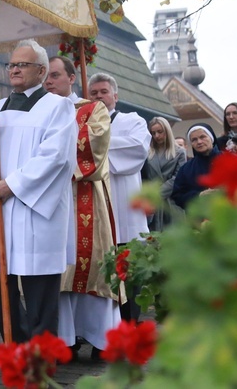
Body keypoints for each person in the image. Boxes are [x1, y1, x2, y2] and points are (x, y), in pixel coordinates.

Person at [0, 39, 77, 342]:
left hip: (31, 210)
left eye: (22, 64)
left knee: (39, 290)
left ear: (41, 70)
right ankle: (18, 346)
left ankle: (41, 357)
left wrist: (13, 185)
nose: (14, 70)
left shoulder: (58, 106)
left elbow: (57, 156)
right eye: (11, 64)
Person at [44, 56, 121, 360]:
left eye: (54, 75)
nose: (48, 82)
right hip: (51, 199)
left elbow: (94, 145)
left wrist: (53, 151)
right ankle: (65, 340)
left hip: (85, 195)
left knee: (94, 267)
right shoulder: (41, 112)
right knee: (59, 272)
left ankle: (102, 340)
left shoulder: (92, 109)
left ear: (72, 78)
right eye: (45, 77)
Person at [88, 72, 151, 322]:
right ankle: (105, 331)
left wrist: (97, 144)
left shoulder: (132, 120)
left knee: (128, 274)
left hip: (125, 211)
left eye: (104, 91)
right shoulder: (86, 123)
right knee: (103, 275)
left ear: (115, 94)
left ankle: (129, 326)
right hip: (96, 208)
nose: (99, 96)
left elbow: (136, 149)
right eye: (93, 93)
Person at [142, 117, 187, 231]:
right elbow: (143, 177)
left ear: (167, 131)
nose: (156, 136)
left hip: (171, 203)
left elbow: (178, 178)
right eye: (153, 133)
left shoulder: (180, 152)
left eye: (160, 131)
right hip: (151, 204)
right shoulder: (146, 151)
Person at [171, 123, 220, 210]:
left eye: (202, 137)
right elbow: (177, 196)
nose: (199, 142)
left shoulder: (230, 161)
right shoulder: (186, 168)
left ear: (211, 138)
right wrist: (198, 196)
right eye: (194, 140)